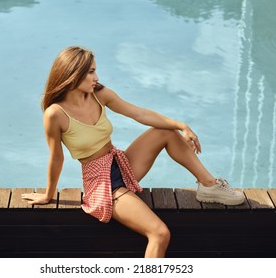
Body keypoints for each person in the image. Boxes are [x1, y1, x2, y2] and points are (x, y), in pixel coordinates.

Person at [22, 46, 245, 258]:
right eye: (91, 72)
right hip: (102, 183)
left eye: (95, 71)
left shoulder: (100, 95)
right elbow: (56, 158)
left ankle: (209, 186)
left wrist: (180, 125)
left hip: (120, 163)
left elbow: (139, 114)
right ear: (73, 74)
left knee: (163, 131)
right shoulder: (55, 114)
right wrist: (48, 195)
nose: (97, 77)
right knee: (159, 233)